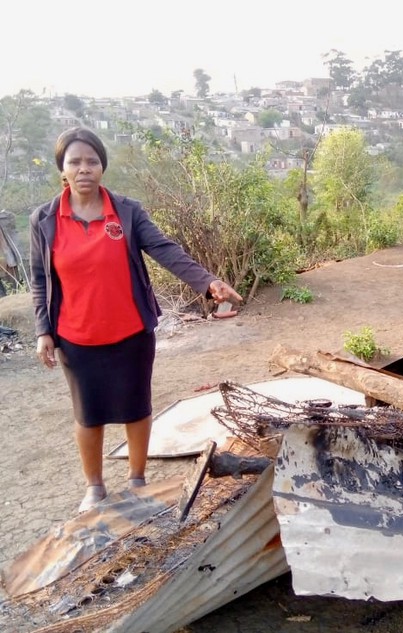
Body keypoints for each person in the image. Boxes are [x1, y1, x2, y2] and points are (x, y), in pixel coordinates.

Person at [29, 127, 243, 513]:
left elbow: (164, 249)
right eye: (74, 162)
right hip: (76, 337)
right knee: (88, 414)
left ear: (102, 167)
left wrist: (207, 282)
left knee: (136, 405)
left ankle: (137, 479)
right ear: (62, 168)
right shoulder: (44, 219)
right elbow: (41, 278)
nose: (84, 169)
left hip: (131, 331)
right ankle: (95, 487)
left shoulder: (126, 211)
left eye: (92, 161)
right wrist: (44, 329)